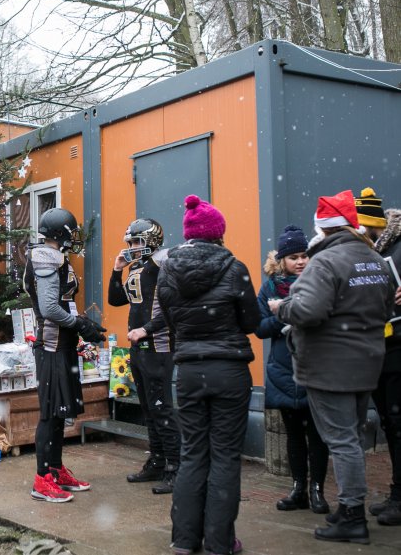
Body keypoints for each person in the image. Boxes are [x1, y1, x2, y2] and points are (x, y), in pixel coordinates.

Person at [274, 190, 394, 544]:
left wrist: (281, 307)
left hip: (330, 366)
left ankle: (352, 515)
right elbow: (385, 307)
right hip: (367, 361)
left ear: (323, 229)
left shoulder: (326, 262)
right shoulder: (373, 258)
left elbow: (308, 311)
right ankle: (349, 507)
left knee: (341, 441)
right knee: (352, 438)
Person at [157, 195, 260, 555]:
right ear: (219, 234)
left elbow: (171, 322)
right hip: (229, 371)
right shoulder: (236, 268)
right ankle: (219, 542)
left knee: (192, 453)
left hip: (188, 372)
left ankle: (184, 540)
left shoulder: (167, 272)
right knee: (226, 456)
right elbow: (252, 322)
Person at [23, 207, 105, 503]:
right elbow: (50, 309)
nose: (75, 236)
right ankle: (41, 480)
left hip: (62, 344)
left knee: (58, 413)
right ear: (61, 232)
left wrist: (81, 329)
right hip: (51, 346)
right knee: (49, 413)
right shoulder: (46, 257)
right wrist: (79, 324)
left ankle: (54, 470)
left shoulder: (56, 257)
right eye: (71, 230)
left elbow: (62, 304)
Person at [256, 225, 330, 514]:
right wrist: (282, 314)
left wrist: (289, 311)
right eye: (293, 257)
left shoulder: (321, 281)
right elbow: (260, 327)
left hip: (315, 366)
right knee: (294, 435)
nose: (300, 262)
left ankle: (317, 490)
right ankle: (299, 488)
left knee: (318, 434)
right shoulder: (270, 287)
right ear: (282, 261)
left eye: (304, 256)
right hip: (283, 370)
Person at [108, 218, 180, 494]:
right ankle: (158, 461)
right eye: (131, 243)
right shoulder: (137, 266)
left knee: (162, 409)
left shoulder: (164, 264)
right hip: (139, 348)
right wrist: (117, 271)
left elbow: (172, 309)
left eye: (137, 242)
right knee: (149, 409)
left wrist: (146, 329)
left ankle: (176, 466)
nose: (132, 248)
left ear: (150, 241)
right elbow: (116, 300)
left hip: (158, 346)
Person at [363, 192, 401, 526]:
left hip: (397, 349)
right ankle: (396, 492)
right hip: (381, 347)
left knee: (398, 425)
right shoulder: (376, 252)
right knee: (391, 424)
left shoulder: (392, 250)